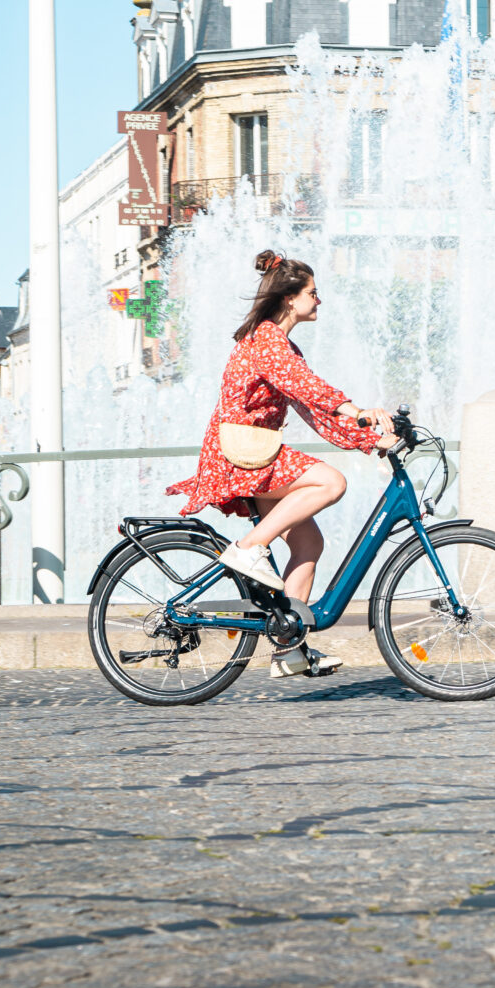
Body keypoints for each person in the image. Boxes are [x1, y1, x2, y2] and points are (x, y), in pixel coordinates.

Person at [166, 250, 396, 677]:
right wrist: (358, 409)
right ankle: (248, 549)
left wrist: (370, 437)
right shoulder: (268, 340)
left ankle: (288, 648)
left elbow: (312, 411)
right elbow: (309, 388)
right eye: (313, 292)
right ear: (290, 298)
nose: (319, 300)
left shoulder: (281, 345)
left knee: (309, 545)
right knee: (330, 483)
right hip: (241, 455)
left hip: (254, 454)